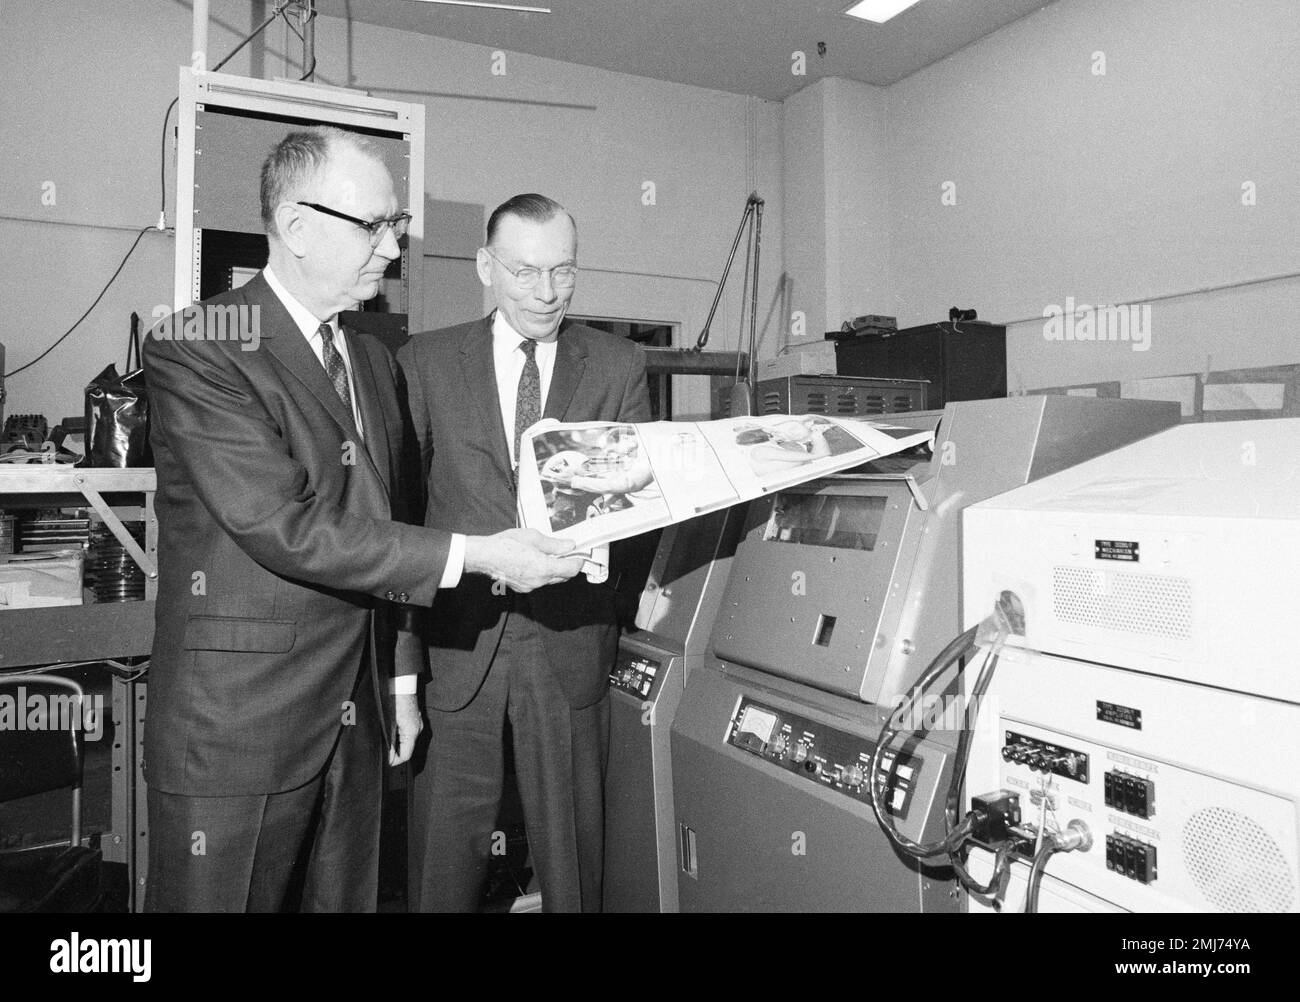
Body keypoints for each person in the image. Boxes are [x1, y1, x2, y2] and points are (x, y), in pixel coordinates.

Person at [142, 130, 583, 912]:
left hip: (361, 720)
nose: (392, 249)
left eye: (396, 226)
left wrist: (402, 678)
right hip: (240, 730)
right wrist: (480, 555)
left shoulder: (375, 361)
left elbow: (390, 524)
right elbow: (283, 523)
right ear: (297, 226)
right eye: (372, 226)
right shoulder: (198, 345)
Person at [400, 193, 651, 912]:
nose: (547, 293)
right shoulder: (425, 362)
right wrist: (403, 664)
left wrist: (607, 587)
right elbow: (403, 518)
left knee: (572, 861)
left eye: (563, 272)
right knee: (442, 862)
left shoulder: (617, 363)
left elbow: (638, 514)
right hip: (458, 646)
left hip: (569, 645)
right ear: (485, 266)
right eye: (525, 272)